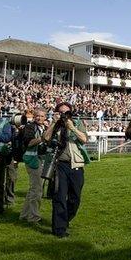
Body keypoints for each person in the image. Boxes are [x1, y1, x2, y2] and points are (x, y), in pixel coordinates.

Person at [42, 102, 90, 238]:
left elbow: (84, 139)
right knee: (59, 197)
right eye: (61, 112)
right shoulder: (55, 125)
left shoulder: (77, 123)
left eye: (67, 112)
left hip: (76, 165)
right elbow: (45, 138)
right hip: (60, 165)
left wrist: (72, 128)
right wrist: (53, 123)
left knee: (75, 198)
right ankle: (59, 229)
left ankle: (65, 219)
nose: (64, 115)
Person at [19, 109, 46, 224]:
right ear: (34, 117)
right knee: (37, 190)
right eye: (37, 116)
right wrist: (43, 138)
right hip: (33, 160)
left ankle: (24, 215)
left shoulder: (43, 128)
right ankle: (33, 217)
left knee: (33, 189)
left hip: (40, 159)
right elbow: (29, 143)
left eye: (42, 116)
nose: (39, 118)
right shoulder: (30, 127)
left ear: (45, 118)